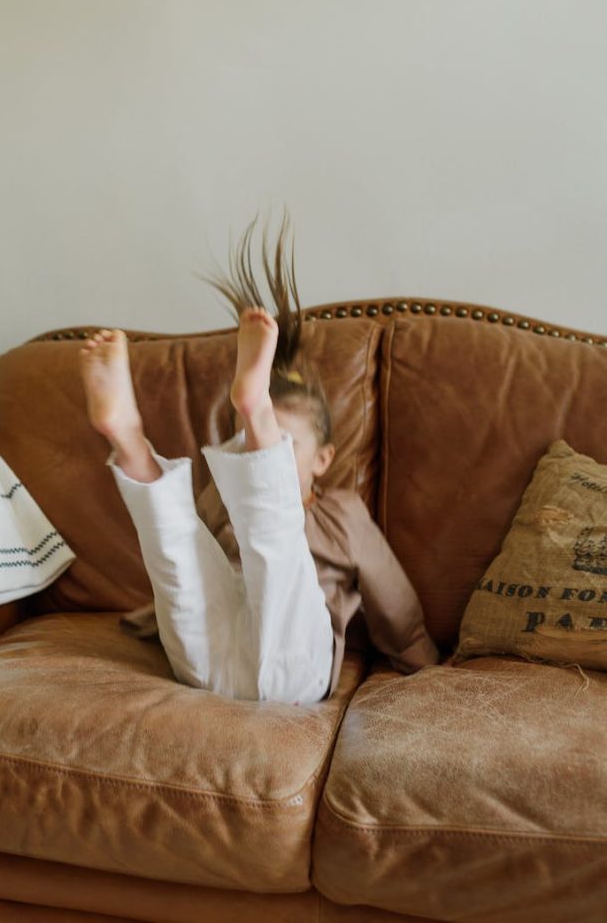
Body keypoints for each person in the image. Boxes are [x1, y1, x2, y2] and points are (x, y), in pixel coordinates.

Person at [79, 219, 438, 703]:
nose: (259, 453)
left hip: (293, 666)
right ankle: (129, 439)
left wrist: (422, 664)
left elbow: (393, 599)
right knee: (184, 546)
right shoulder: (223, 498)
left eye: (281, 442)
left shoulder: (341, 513)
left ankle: (215, 416)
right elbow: (184, 560)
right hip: (208, 662)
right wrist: (150, 618)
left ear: (324, 459)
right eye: (250, 438)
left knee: (276, 542)